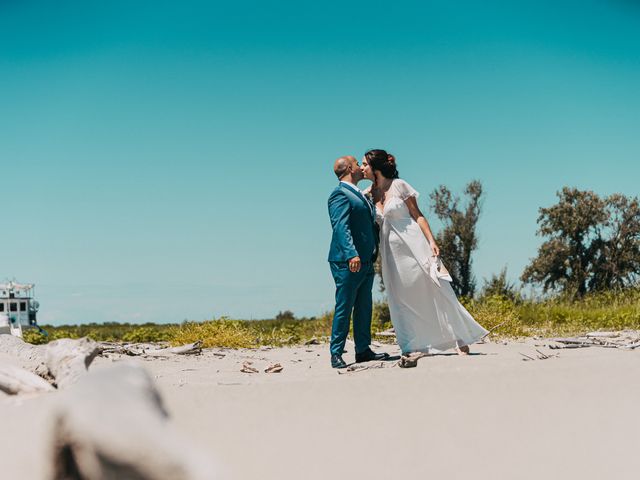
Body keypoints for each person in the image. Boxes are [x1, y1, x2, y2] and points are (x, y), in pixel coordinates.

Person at [361, 149, 488, 366]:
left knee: (434, 288)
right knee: (400, 297)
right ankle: (411, 345)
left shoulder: (399, 185)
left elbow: (417, 215)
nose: (361, 167)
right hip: (391, 254)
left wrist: (432, 241)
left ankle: (459, 337)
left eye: (364, 164)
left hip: (414, 244)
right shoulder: (367, 193)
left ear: (376, 167)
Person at [327, 155, 390, 369]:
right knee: (344, 306)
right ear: (348, 169)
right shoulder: (339, 194)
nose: (361, 168)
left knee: (364, 307)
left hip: (365, 259)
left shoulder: (360, 194)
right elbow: (340, 226)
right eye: (356, 164)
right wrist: (351, 253)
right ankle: (336, 353)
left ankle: (363, 350)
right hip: (347, 261)